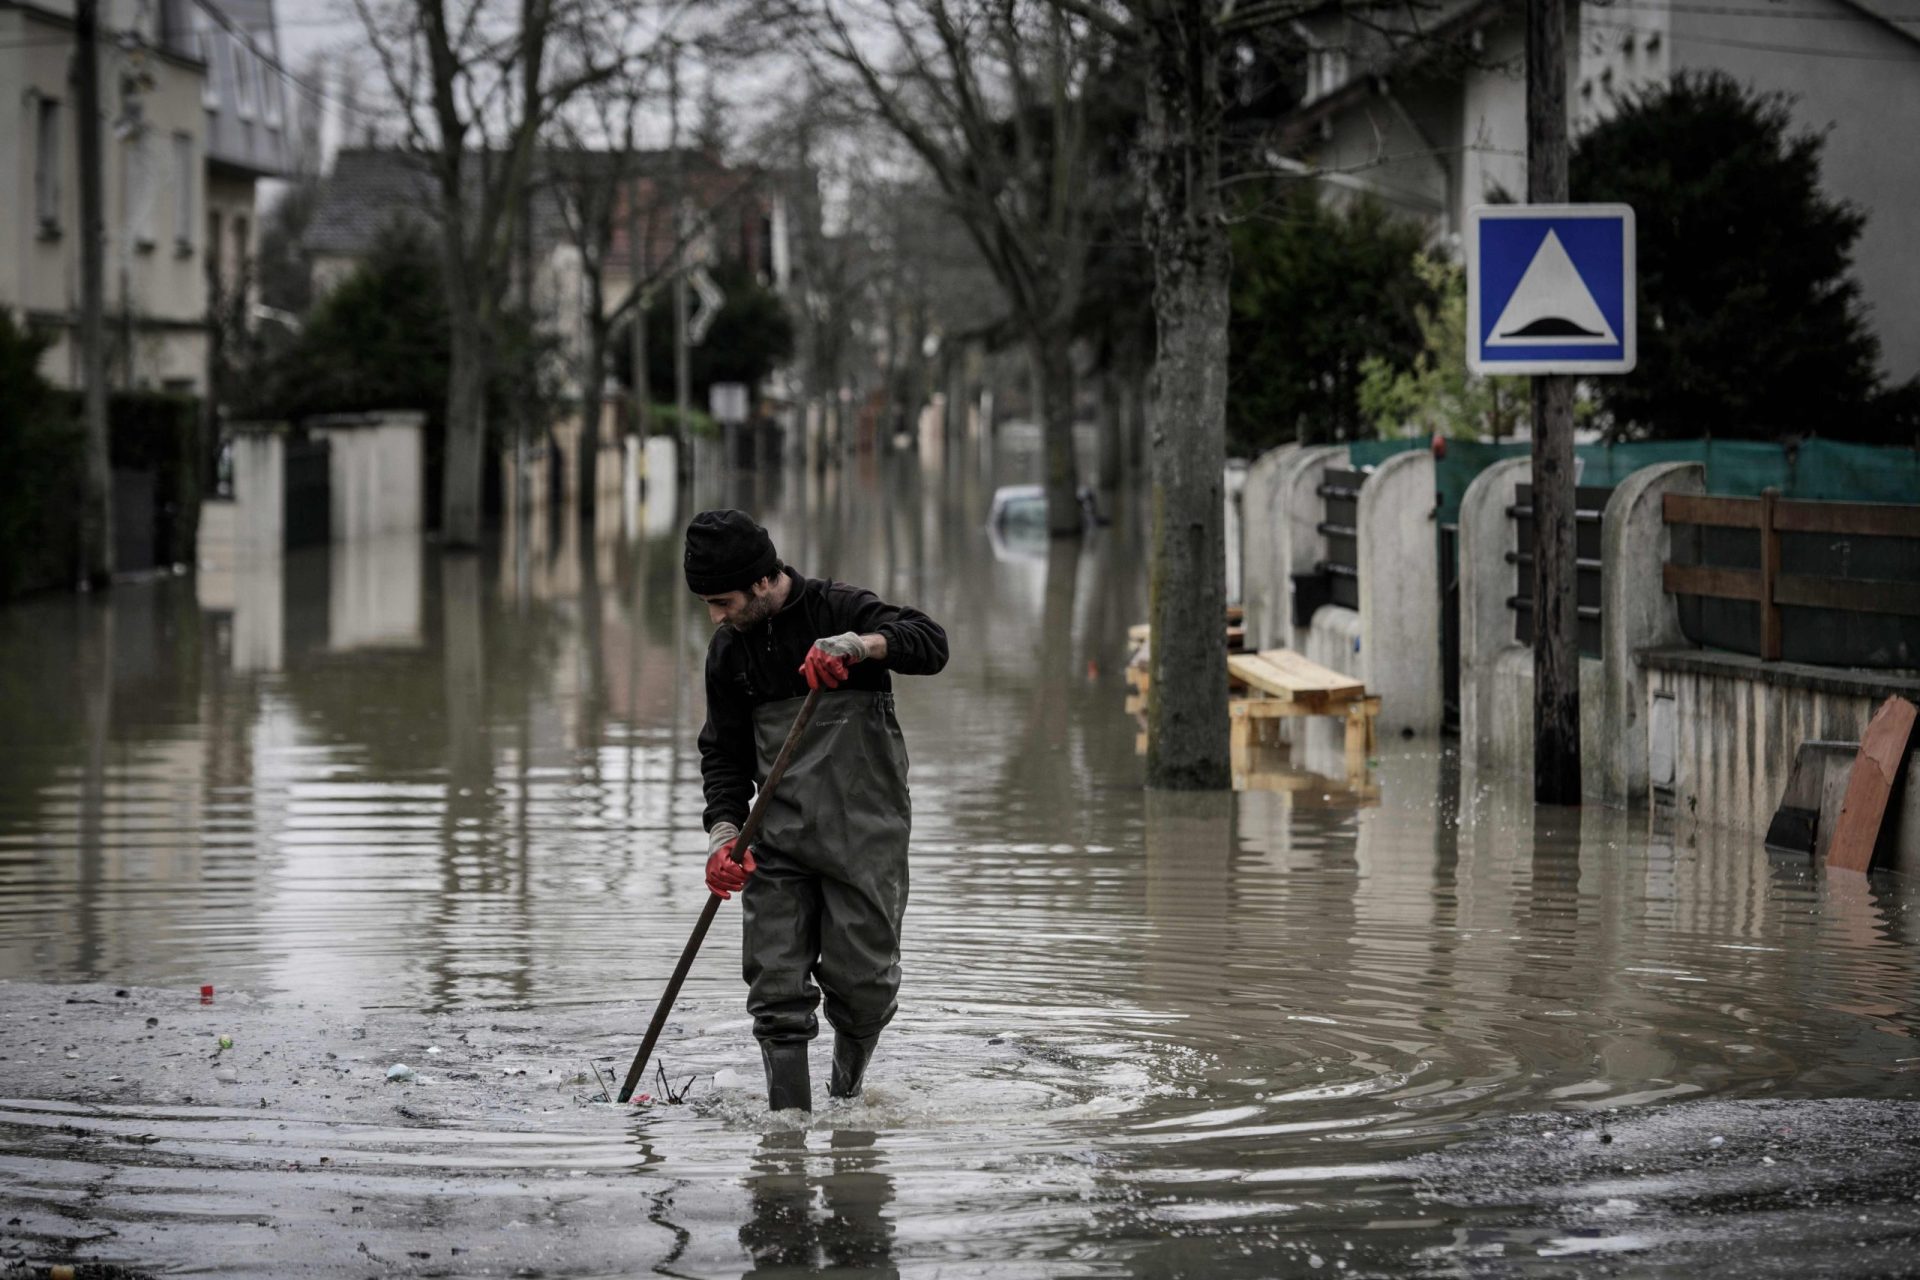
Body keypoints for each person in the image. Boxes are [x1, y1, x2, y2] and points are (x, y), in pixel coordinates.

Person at [687, 510, 948, 1112]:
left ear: (760, 580)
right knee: (774, 987)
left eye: (721, 600)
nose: (716, 616)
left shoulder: (841, 609)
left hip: (867, 837)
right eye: (707, 603)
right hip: (775, 844)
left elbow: (931, 643)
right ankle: (788, 1132)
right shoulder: (729, 652)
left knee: (864, 986)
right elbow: (722, 756)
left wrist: (861, 647)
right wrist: (723, 836)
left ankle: (847, 1099)